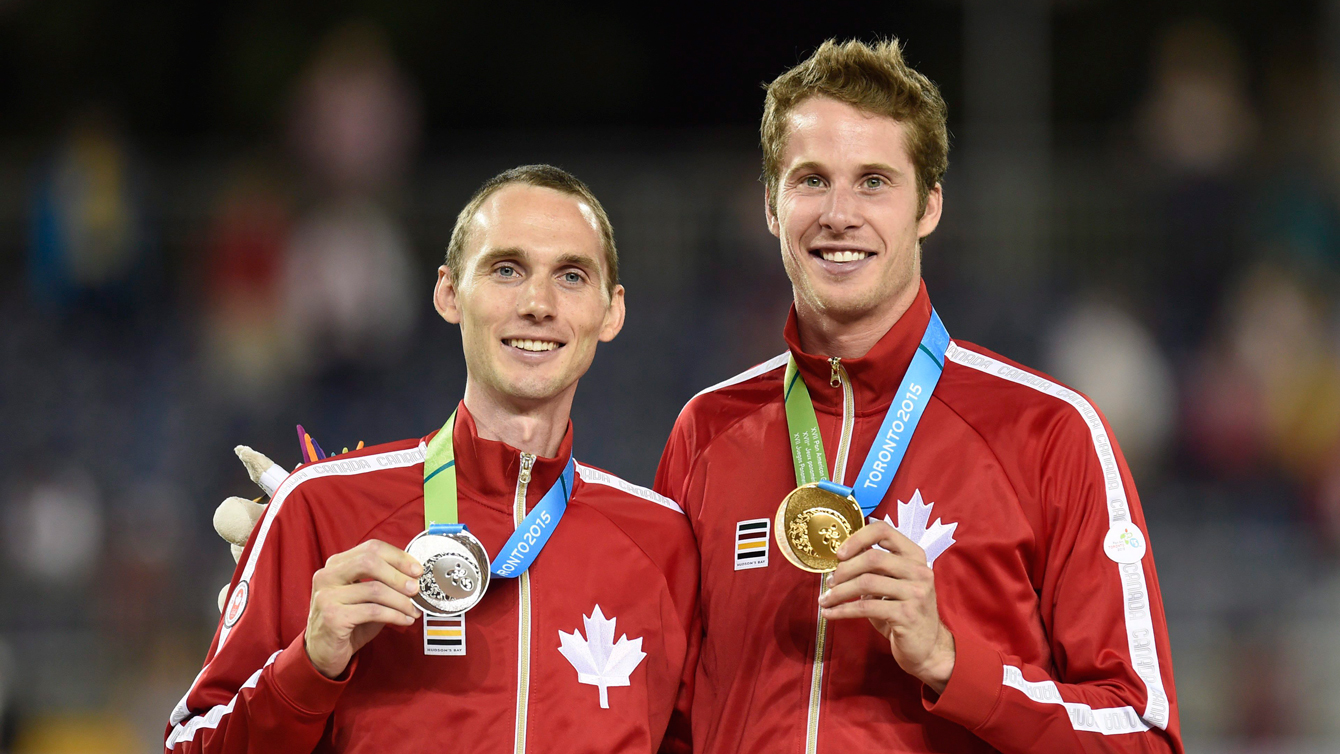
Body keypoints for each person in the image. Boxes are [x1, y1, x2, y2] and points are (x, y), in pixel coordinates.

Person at [653, 39, 1183, 753]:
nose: (839, 213)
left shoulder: (1048, 431)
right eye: (811, 180)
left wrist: (949, 660)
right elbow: (668, 721)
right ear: (771, 208)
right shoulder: (707, 431)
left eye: (874, 181)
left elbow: (1140, 734)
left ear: (928, 207)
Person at [166, 165, 699, 754]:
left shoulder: (663, 542)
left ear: (612, 311)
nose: (538, 304)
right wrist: (308, 665)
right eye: (506, 269)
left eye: (571, 276)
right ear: (449, 292)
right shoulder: (322, 508)